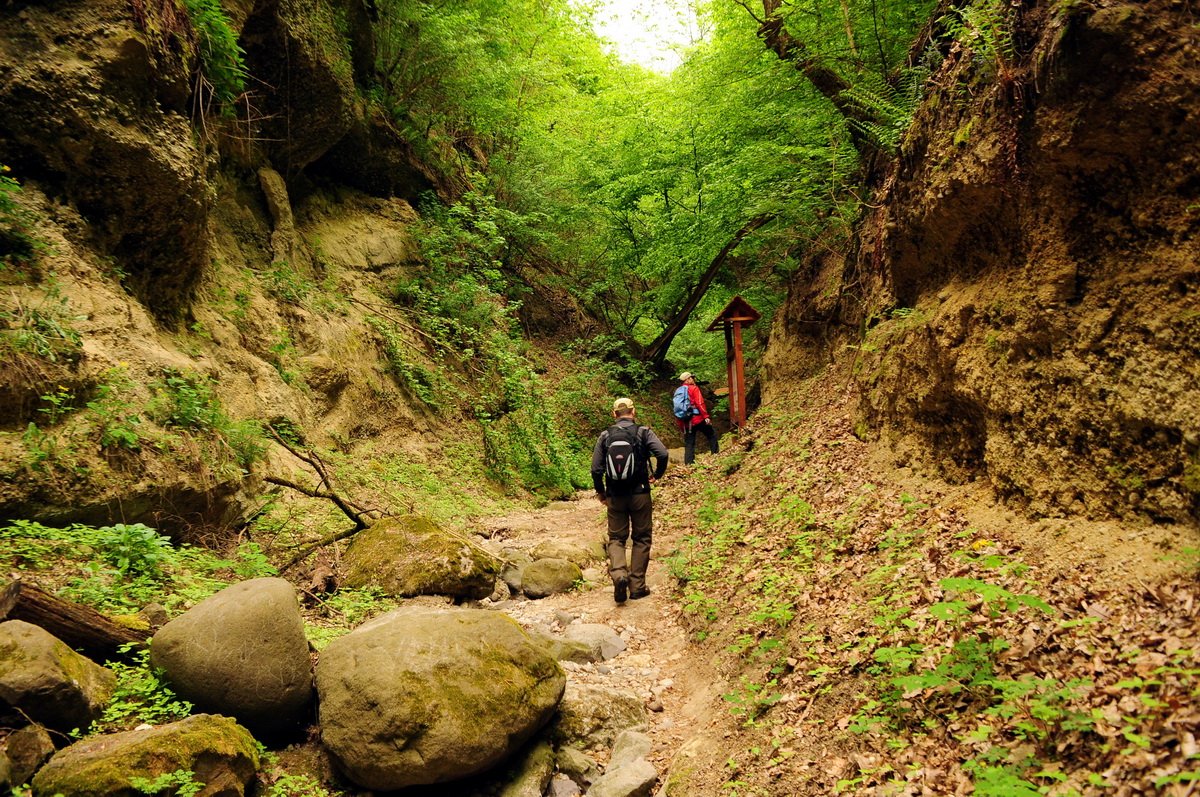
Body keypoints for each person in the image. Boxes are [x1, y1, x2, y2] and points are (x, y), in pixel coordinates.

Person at [591, 397, 669, 603]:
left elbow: (596, 469)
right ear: (633, 412)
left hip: (615, 495)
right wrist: (657, 475)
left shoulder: (605, 435)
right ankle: (637, 587)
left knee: (616, 538)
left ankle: (619, 576)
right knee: (641, 538)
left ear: (614, 414)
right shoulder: (643, 432)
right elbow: (662, 453)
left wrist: (601, 492)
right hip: (640, 493)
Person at [676, 371, 718, 465]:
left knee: (689, 443)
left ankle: (688, 465)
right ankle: (715, 455)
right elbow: (700, 403)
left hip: (685, 421)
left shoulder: (678, 391)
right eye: (692, 378)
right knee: (711, 434)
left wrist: (681, 424)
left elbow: (677, 409)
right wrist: (706, 416)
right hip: (697, 419)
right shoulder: (693, 388)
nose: (693, 379)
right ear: (688, 379)